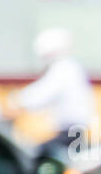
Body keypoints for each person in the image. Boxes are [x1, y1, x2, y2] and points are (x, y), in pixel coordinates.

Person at [6, 27, 95, 164]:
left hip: (70, 133)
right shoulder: (70, 67)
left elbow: (42, 94)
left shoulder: (63, 69)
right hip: (73, 132)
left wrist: (17, 100)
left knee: (37, 157)